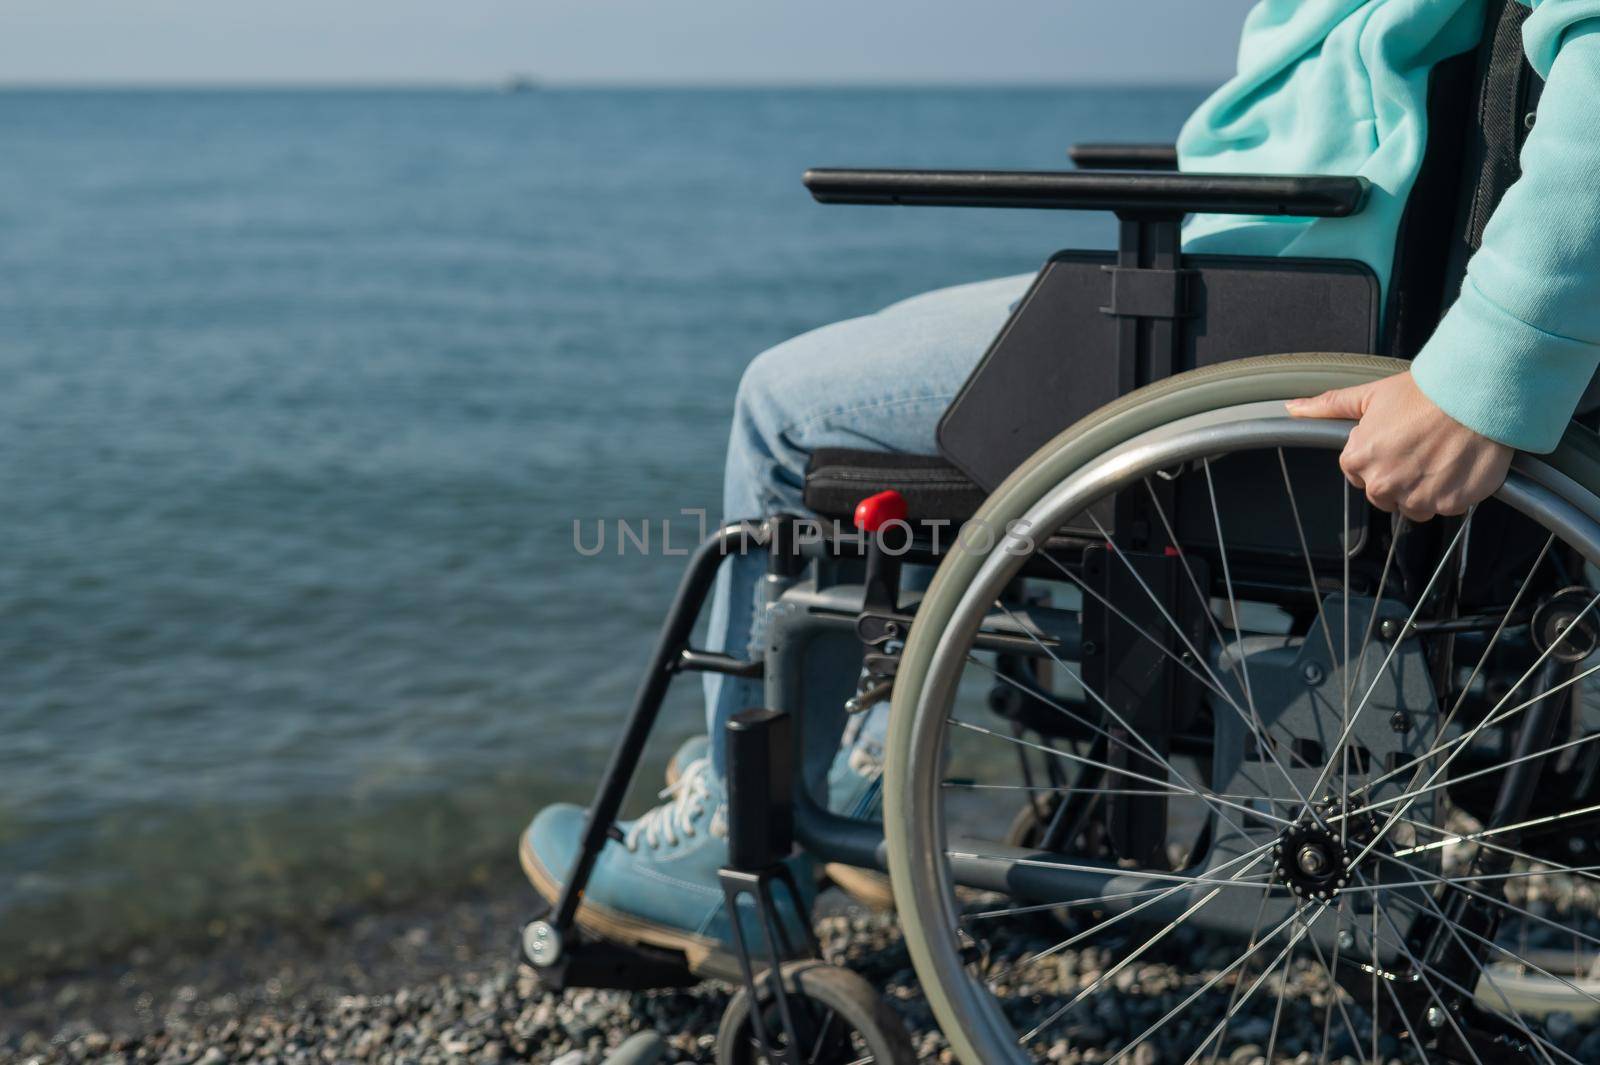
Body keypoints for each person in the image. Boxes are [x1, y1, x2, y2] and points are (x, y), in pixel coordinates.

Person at [521, 0, 1600, 964]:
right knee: (897, 356)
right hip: (1284, 273)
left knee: (790, 405)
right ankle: (852, 773)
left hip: (1286, 305)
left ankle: (732, 856)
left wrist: (1488, 372)